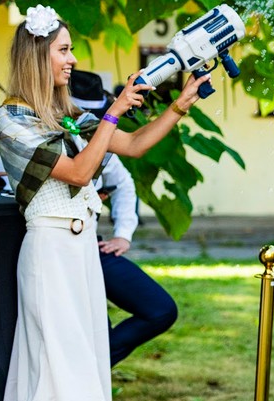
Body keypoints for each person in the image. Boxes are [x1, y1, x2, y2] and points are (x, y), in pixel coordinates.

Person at [0, 5, 207, 400]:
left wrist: (181, 105)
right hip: (50, 254)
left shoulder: (67, 115)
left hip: (82, 252)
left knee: (86, 362)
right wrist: (114, 110)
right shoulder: (10, 120)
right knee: (60, 365)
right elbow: (78, 172)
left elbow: (134, 145)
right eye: (63, 50)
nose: (73, 59)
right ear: (37, 56)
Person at [69, 69, 178, 367]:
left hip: (92, 245)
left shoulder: (101, 138)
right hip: (57, 247)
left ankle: (95, 368)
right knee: (92, 329)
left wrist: (124, 233)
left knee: (160, 309)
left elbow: (125, 182)